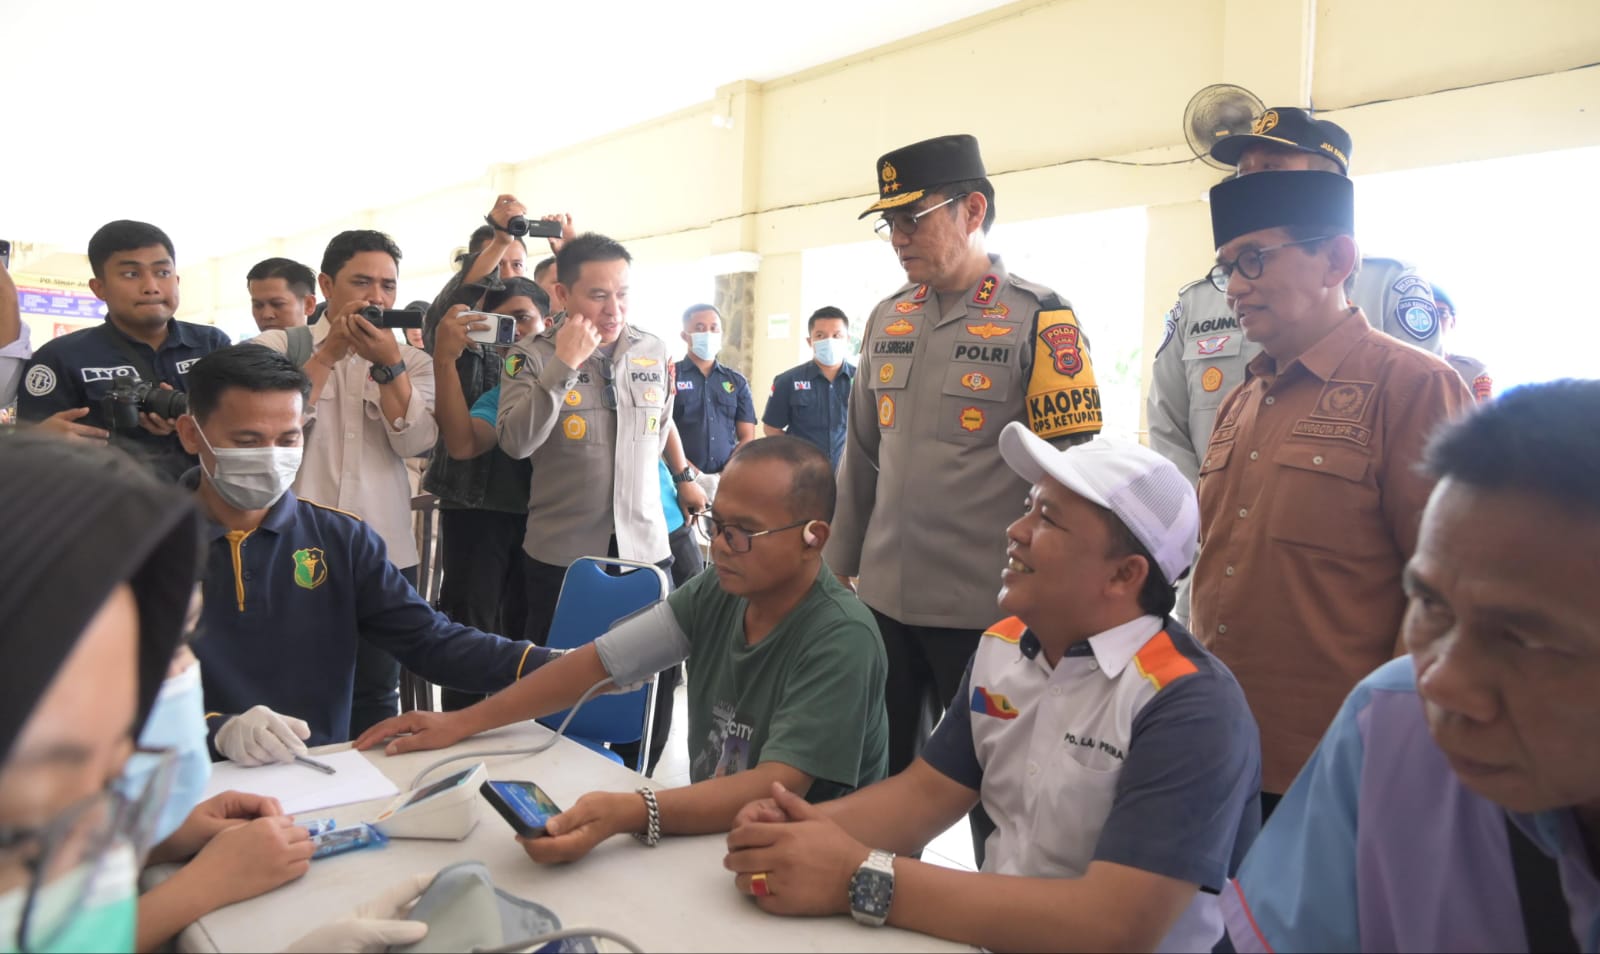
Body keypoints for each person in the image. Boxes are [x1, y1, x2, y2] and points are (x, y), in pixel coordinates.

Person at [723, 423, 1260, 952]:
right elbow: (924, 796)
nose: (1016, 530)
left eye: (1047, 518)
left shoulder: (1191, 706)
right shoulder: (1003, 647)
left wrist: (859, 879)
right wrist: (797, 826)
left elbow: (1113, 926)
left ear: (1124, 575)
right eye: (1028, 506)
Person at [357, 436, 889, 863]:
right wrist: (460, 723)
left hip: (815, 867)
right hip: (723, 847)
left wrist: (634, 811)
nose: (721, 546)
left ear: (814, 536)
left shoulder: (840, 638)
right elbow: (599, 664)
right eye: (717, 526)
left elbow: (776, 785)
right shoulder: (719, 589)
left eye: (744, 532)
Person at [0, 434, 431, 954]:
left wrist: (163, 838)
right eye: (160, 643)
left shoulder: (57, 813)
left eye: (183, 637)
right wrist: (201, 887)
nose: (184, 672)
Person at [1222, 379, 1600, 952]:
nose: (1442, 682)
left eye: (1524, 640)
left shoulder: (1409, 381)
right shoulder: (1390, 727)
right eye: (1432, 606)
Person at [1191, 170, 1474, 813]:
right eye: (1227, 268)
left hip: (1337, 768)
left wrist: (1391, 749)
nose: (1235, 286)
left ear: (1337, 259)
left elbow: (1450, 593)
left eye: (1254, 260)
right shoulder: (1242, 399)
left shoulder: (1413, 387)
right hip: (1218, 751)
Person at [827, 134, 1104, 780]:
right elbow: (861, 456)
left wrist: (1055, 601)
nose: (898, 237)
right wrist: (837, 571)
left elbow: (1074, 476)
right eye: (889, 223)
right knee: (876, 780)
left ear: (972, 210)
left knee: (995, 794)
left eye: (911, 219)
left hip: (989, 614)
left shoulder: (1040, 319)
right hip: (884, 606)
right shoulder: (886, 318)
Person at [173, 345, 552, 753]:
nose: (271, 457)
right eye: (248, 441)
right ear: (192, 434)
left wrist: (557, 664)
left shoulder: (340, 540)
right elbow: (108, 692)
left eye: (288, 438)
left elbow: (431, 642)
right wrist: (216, 729)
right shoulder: (139, 549)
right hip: (184, 785)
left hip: (320, 773)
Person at [1148, 107, 1447, 487]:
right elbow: (1167, 427)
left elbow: (1414, 431)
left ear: (1328, 182)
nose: (1248, 186)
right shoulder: (1201, 298)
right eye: (1244, 172)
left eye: (1270, 170)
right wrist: (1199, 526)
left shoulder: (1388, 284)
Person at [249, 229, 437, 737]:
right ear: (327, 285)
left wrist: (389, 365)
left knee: (378, 689)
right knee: (286, 686)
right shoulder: (276, 347)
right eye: (362, 282)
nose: (377, 297)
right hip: (290, 548)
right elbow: (263, 433)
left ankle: (370, 794)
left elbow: (416, 442)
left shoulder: (415, 361)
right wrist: (329, 354)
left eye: (388, 285)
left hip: (386, 549)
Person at [496, 232, 677, 645]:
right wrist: (563, 365)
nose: (614, 310)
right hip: (563, 557)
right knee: (558, 691)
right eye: (598, 295)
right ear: (562, 293)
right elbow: (515, 442)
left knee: (647, 691)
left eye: (623, 294)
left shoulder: (652, 348)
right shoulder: (532, 355)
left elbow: (660, 430)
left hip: (644, 552)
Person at [17, 220, 231, 479]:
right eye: (131, 274)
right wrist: (38, 443)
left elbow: (241, 423)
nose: (151, 286)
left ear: (176, 279)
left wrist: (191, 420)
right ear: (99, 288)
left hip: (202, 504)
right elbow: (26, 449)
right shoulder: (59, 358)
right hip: (106, 507)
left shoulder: (212, 344)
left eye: (162, 273)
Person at [428, 281, 547, 711]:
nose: (513, 333)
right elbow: (462, 444)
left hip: (557, 531)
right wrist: (444, 359)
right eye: (501, 324)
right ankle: (461, 727)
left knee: (533, 634)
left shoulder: (582, 379)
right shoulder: (497, 395)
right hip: (483, 514)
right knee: (473, 628)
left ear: (549, 323)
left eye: (523, 319)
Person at [670, 303, 756, 498]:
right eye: (699, 328)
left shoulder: (736, 381)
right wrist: (692, 475)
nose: (708, 333)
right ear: (685, 336)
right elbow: (662, 430)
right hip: (680, 482)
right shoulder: (670, 377)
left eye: (713, 328)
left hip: (727, 481)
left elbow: (747, 436)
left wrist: (723, 475)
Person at [762, 306, 854, 470]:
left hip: (851, 474)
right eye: (820, 335)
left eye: (837, 336)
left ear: (848, 340)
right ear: (810, 341)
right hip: (803, 475)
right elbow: (771, 428)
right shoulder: (787, 381)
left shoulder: (862, 380)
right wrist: (797, 455)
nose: (829, 341)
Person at [1434, 285, 1493, 402]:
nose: (1434, 320)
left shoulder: (1473, 371)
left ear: (1453, 322)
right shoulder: (1398, 363)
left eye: (1441, 314)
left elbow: (1485, 417)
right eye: (1427, 313)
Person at [246, 257, 318, 334]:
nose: (266, 315)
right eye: (258, 305)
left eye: (277, 304)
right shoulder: (248, 345)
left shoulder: (328, 344)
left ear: (308, 305)